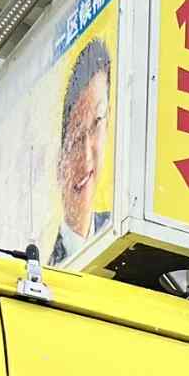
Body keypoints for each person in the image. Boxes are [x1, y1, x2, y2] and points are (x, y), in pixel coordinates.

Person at [49, 38, 113, 264]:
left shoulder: (116, 228)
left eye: (97, 123)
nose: (86, 157)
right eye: (75, 139)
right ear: (59, 162)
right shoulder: (48, 268)